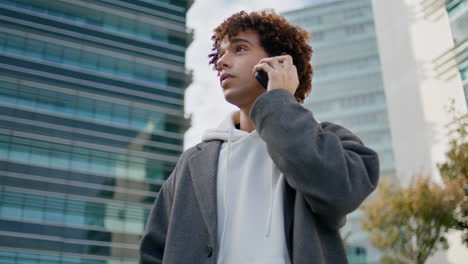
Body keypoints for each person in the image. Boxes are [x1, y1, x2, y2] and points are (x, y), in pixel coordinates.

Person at [139, 10, 380, 264]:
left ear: (279, 63)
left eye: (239, 49)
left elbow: (340, 193)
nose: (222, 61)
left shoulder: (330, 141)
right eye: (220, 55)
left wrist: (279, 102)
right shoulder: (192, 163)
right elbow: (154, 252)